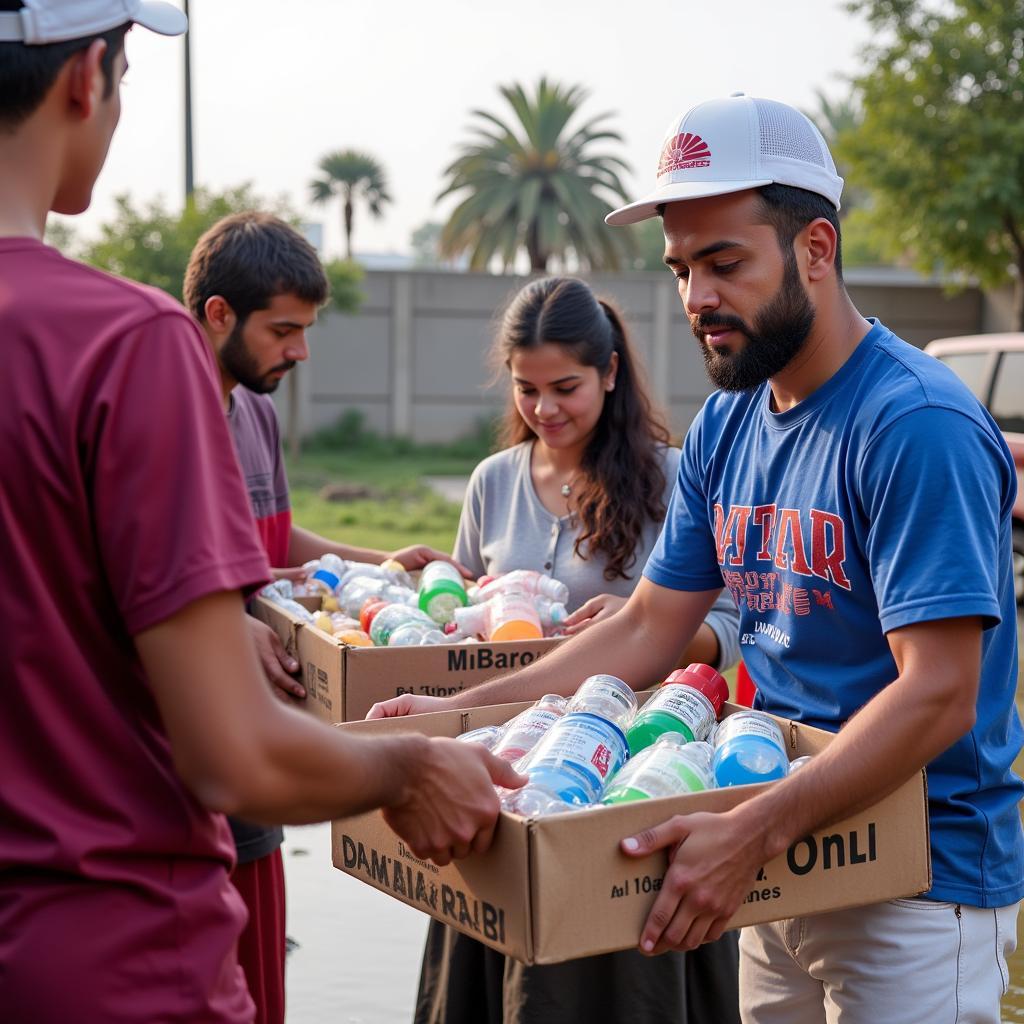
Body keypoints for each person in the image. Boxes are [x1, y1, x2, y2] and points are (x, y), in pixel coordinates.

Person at [371, 93, 1024, 1023]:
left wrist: (753, 829)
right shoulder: (729, 422)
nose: (697, 299)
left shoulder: (913, 422)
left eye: (724, 263)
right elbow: (649, 624)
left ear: (816, 249)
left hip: (914, 877)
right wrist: (456, 714)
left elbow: (940, 691)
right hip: (781, 853)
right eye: (680, 269)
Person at [0, 4, 522, 1021]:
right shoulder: (122, 346)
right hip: (106, 954)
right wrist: (408, 765)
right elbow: (230, 752)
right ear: (84, 81)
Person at [414, 275, 742, 1024]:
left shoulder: (670, 474)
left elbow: (726, 627)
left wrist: (639, 616)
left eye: (565, 387)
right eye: (527, 390)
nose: (544, 409)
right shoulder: (493, 481)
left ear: (611, 373)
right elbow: (467, 618)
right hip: (511, 789)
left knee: (625, 993)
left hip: (634, 789)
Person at [183, 211, 472, 1024]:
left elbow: (266, 541)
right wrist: (224, 615)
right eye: (285, 331)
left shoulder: (257, 413)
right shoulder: (164, 416)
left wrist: (373, 563)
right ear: (218, 315)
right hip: (207, 737)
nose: (301, 352)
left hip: (270, 725)